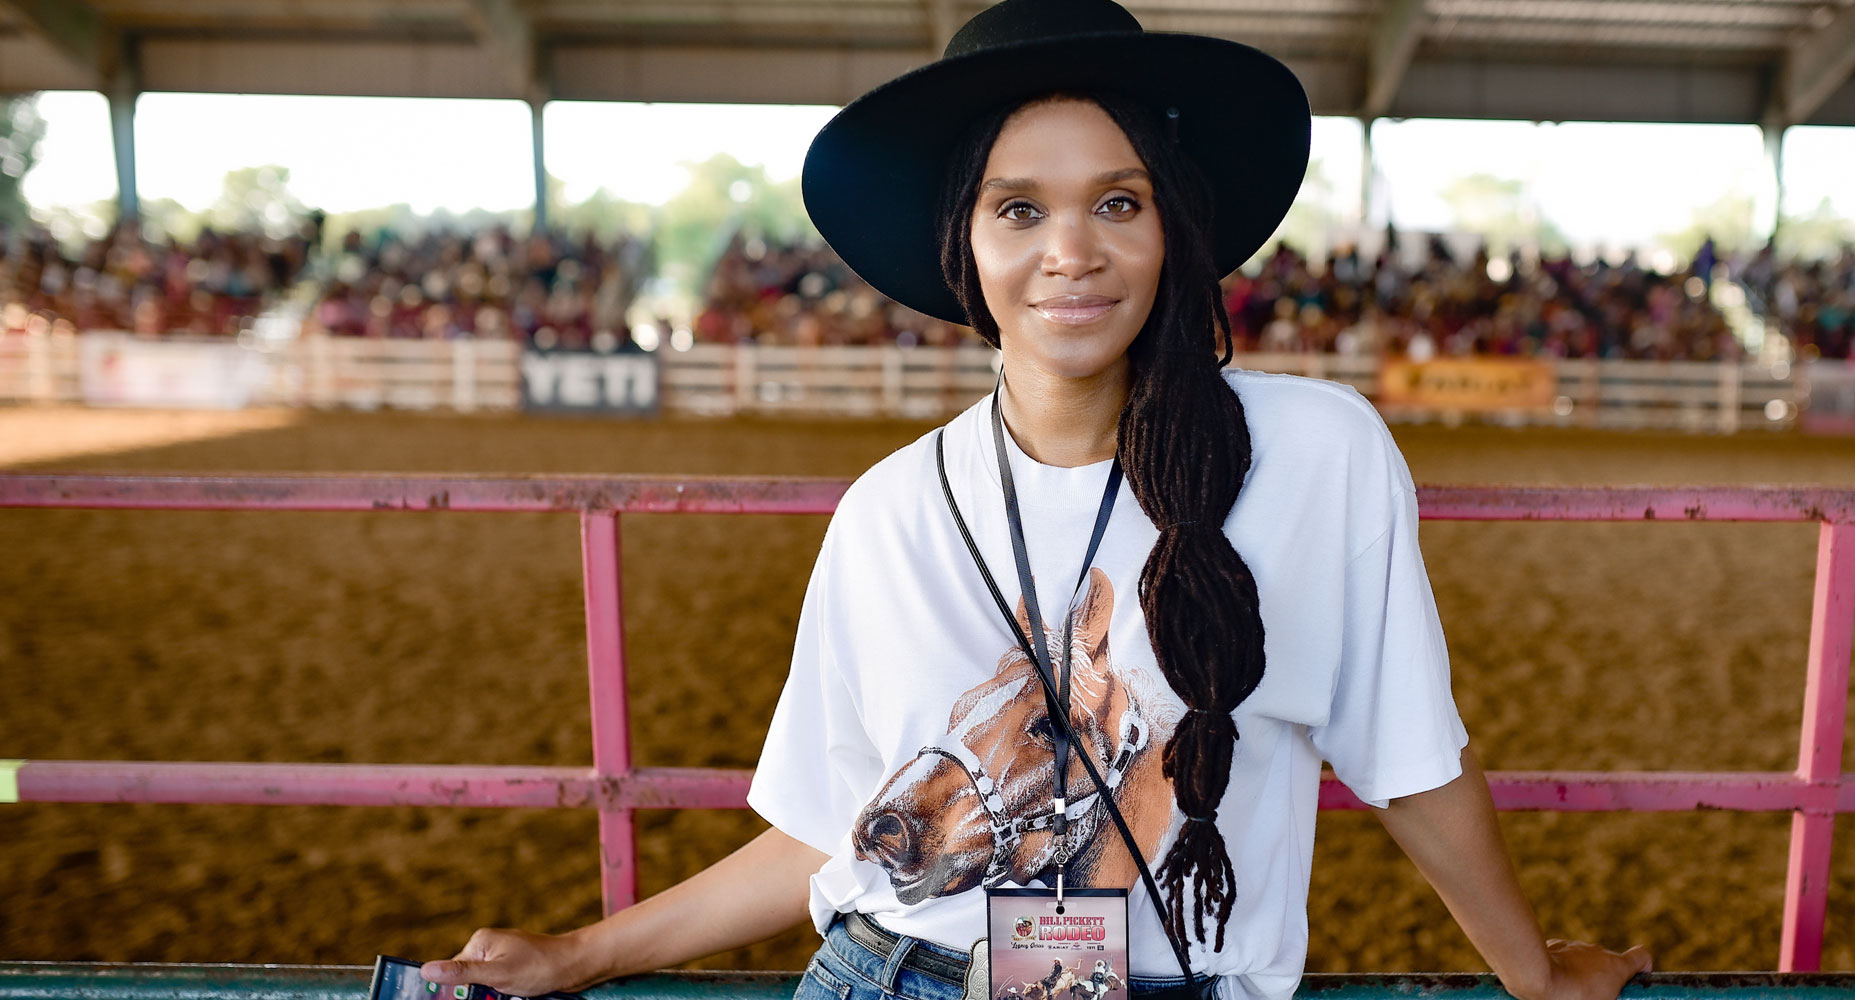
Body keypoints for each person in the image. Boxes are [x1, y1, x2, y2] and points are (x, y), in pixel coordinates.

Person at [421, 3, 1652, 1000]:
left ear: (1172, 228)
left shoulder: (1316, 454)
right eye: (1020, 208)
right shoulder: (889, 512)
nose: (1072, 250)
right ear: (964, 244)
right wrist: (580, 953)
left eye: (1118, 202)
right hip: (888, 977)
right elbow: (831, 836)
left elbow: (1408, 759)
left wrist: (1534, 975)